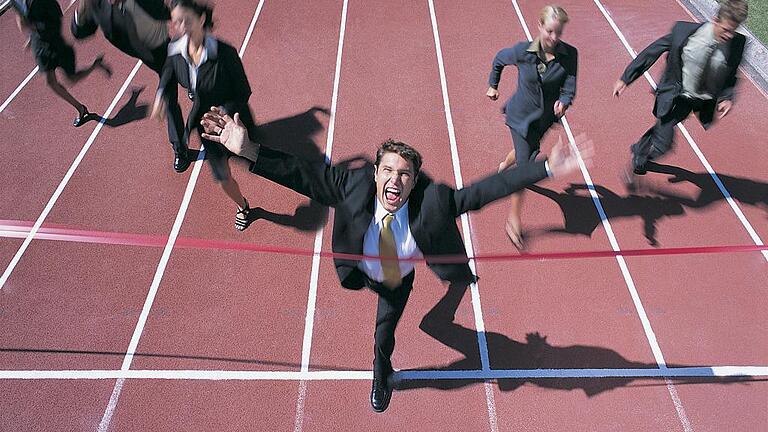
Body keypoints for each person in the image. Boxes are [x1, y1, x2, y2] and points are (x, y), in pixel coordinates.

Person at [199, 106, 590, 412]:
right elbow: (299, 174)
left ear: (415, 180)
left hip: (395, 280)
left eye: (405, 174)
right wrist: (247, 148)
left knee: (383, 334)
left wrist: (546, 168)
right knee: (421, 315)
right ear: (374, 173)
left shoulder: (434, 202)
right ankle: (450, 295)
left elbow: (486, 189)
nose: (395, 180)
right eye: (387, 170)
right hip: (360, 271)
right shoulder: (350, 186)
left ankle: (381, 373)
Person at [613, 0, 747, 186]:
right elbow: (654, 50)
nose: (729, 35)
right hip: (675, 94)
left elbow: (732, 72)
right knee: (663, 143)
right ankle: (639, 161)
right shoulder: (684, 32)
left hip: (699, 101)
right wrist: (626, 78)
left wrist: (727, 97)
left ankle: (639, 149)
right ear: (716, 20)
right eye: (725, 29)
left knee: (663, 127)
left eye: (733, 30)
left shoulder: (737, 43)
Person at [150, 0, 257, 230]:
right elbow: (168, 72)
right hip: (208, 128)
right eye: (176, 21)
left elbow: (243, 91)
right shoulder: (175, 51)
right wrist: (160, 94)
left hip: (235, 120)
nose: (181, 27)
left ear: (200, 19)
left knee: (258, 160)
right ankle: (243, 206)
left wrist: (226, 113)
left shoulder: (224, 53)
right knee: (223, 179)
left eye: (186, 20)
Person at [486, 5, 577, 250]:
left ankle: (505, 165)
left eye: (559, 33)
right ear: (539, 27)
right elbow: (498, 60)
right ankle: (513, 220)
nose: (554, 38)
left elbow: (570, 85)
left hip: (544, 120)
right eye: (549, 31)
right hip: (519, 118)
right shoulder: (522, 51)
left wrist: (565, 101)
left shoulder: (570, 55)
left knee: (527, 151)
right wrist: (493, 85)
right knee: (526, 169)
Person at [71, 0, 186, 172]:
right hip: (140, 50)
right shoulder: (96, 3)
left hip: (159, 47)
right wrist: (81, 12)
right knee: (174, 78)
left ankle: (180, 149)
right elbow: (81, 32)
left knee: (169, 92)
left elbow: (169, 13)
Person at [10, 0, 111, 127]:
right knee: (51, 82)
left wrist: (39, 28)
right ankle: (80, 109)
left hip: (55, 41)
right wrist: (31, 36)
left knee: (71, 79)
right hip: (39, 43)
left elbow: (57, 15)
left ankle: (95, 65)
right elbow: (21, 17)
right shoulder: (14, 1)